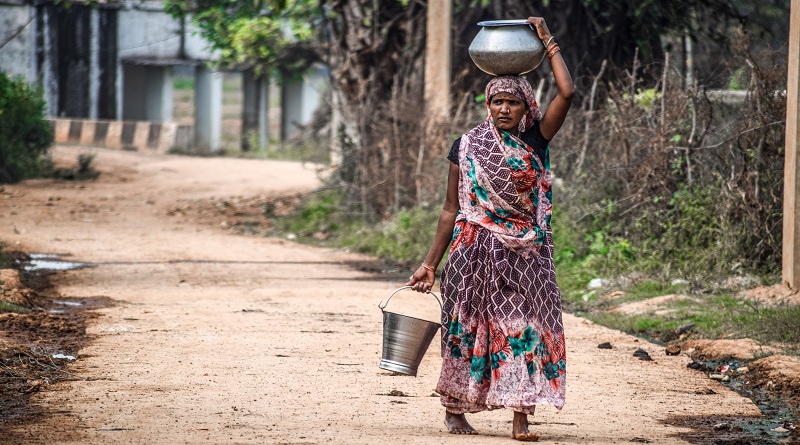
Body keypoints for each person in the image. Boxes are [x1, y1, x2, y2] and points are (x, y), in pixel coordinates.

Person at [406, 16, 574, 441]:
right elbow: (450, 209)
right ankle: (456, 410)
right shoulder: (465, 147)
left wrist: (547, 41)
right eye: (496, 101)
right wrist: (429, 264)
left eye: (512, 103)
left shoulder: (536, 140)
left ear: (524, 107)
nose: (503, 108)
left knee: (526, 328)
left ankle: (520, 416)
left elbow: (568, 93)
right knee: (467, 329)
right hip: (472, 249)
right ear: (487, 104)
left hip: (524, 252)